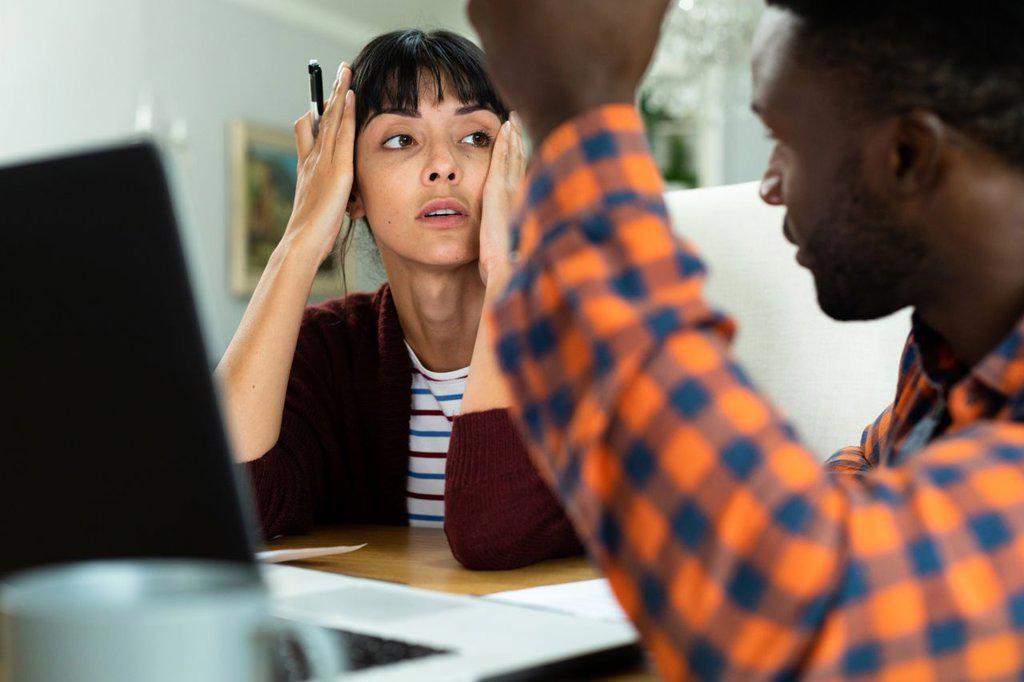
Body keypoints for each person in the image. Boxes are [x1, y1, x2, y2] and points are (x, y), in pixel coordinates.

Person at [467, 0, 1024, 677]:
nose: (768, 185)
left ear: (907, 157)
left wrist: (577, 112)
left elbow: (799, 623)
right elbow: (861, 482)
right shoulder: (953, 358)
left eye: (783, 139)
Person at [216, 29, 582, 570]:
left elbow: (494, 533)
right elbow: (225, 506)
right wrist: (300, 237)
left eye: (476, 138)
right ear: (351, 187)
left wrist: (510, 266)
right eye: (399, 140)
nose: (443, 165)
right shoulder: (328, 350)